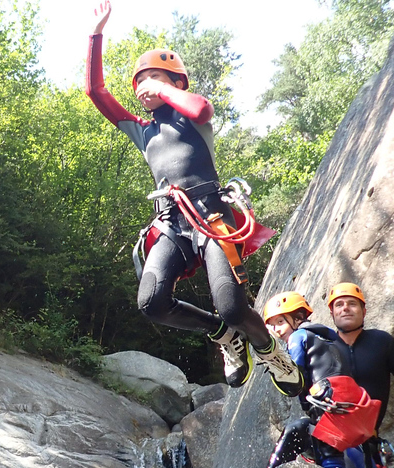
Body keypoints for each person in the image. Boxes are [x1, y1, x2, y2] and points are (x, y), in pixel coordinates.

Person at [85, 1, 302, 396]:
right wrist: (96, 34)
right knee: (151, 302)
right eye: (141, 81)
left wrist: (163, 88)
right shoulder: (142, 131)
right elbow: (95, 92)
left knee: (234, 307)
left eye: (155, 77)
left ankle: (270, 352)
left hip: (211, 214)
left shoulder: (193, 118)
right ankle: (223, 336)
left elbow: (202, 106)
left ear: (176, 82)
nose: (144, 86)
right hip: (170, 224)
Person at [263, 291, 379, 468]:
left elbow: (296, 375)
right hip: (353, 400)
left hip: (326, 397)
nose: (277, 330)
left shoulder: (297, 337)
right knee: (334, 443)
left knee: (328, 452)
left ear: (298, 317)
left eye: (280, 322)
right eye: (272, 325)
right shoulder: (331, 337)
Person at [328, 282, 394, 468]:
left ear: (364, 311)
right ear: (332, 313)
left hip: (370, 438)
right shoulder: (325, 348)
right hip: (335, 438)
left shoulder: (381, 342)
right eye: (339, 305)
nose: (345, 308)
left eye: (352, 304)